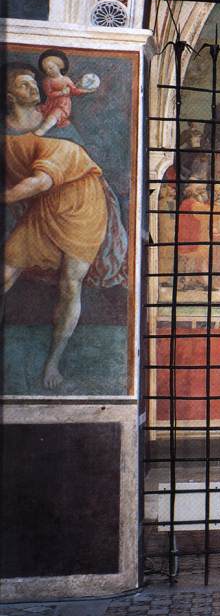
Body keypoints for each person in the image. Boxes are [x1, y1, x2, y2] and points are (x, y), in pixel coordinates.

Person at [4, 64, 127, 388]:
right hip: (46, 202)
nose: (33, 88)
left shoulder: (56, 127)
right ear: (9, 96)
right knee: (6, 271)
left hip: (81, 202)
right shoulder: (8, 134)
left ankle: (52, 364)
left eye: (34, 83)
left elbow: (40, 180)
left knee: (71, 283)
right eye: (23, 84)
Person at [34, 50, 95, 136]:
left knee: (55, 114)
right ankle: (42, 129)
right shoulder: (47, 81)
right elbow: (49, 94)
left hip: (63, 105)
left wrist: (85, 91)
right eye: (46, 69)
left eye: (51, 68)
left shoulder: (66, 79)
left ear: (59, 66)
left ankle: (43, 129)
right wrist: (62, 92)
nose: (48, 71)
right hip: (51, 103)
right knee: (48, 114)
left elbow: (74, 90)